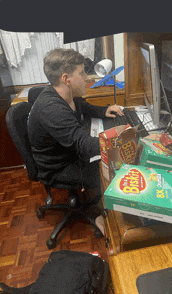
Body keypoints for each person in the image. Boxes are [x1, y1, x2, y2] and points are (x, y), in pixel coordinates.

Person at [27, 48, 124, 236]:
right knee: (112, 169)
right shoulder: (52, 109)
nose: (87, 77)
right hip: (58, 167)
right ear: (66, 78)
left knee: (108, 158)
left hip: (67, 154)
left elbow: (83, 107)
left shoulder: (65, 95)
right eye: (82, 72)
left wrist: (103, 111)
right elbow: (86, 146)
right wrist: (126, 138)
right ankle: (101, 217)